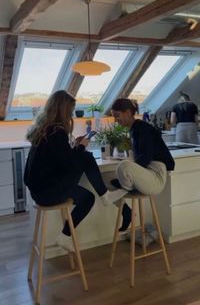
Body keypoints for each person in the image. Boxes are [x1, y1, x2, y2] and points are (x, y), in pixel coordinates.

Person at [24, 90, 127, 252]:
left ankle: (65, 236)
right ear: (63, 110)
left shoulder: (44, 129)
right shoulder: (57, 131)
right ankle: (105, 195)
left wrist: (74, 147)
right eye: (70, 111)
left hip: (40, 192)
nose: (71, 114)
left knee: (87, 198)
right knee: (85, 157)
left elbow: (58, 160)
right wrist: (80, 147)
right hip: (48, 192)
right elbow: (68, 165)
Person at [110, 98, 175, 231]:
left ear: (128, 112)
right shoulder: (134, 129)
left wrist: (129, 169)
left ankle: (127, 187)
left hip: (156, 176)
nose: (116, 120)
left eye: (117, 116)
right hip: (148, 174)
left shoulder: (142, 128)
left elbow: (145, 158)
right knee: (105, 182)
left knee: (124, 166)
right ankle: (126, 208)